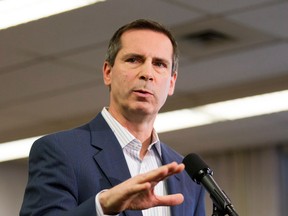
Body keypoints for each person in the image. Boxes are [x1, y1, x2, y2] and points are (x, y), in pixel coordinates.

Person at [20, 19, 206, 216]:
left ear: (171, 83)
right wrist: (102, 206)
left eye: (159, 64)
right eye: (134, 60)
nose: (147, 73)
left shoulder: (188, 177)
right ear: (108, 72)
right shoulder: (60, 151)